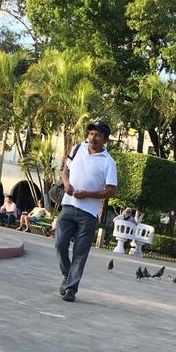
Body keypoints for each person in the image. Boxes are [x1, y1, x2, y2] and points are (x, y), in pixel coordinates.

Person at [55, 120, 117, 301]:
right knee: (59, 244)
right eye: (91, 133)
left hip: (88, 214)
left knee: (80, 254)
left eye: (97, 135)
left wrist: (88, 194)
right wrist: (66, 184)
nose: (92, 138)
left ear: (105, 139)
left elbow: (111, 190)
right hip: (68, 205)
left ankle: (71, 289)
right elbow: (65, 170)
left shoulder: (109, 162)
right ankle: (67, 276)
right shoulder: (77, 148)